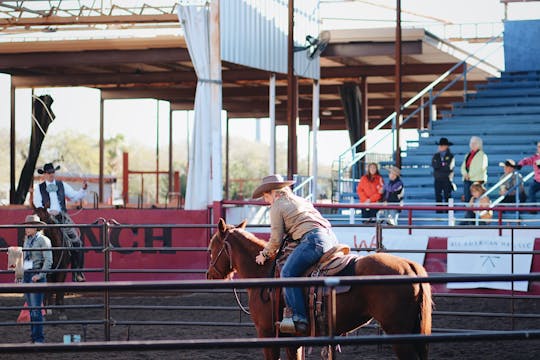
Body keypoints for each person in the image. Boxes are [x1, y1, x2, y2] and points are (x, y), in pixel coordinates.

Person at [253, 174, 337, 336]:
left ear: (272, 192)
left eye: (265, 196)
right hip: (330, 238)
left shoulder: (277, 205)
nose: (265, 200)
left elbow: (276, 240)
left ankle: (299, 318)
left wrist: (264, 254)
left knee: (287, 273)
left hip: (313, 240)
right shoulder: (300, 200)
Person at [33, 162, 87, 282]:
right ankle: (34, 270)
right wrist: (48, 212)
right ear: (44, 174)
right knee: (34, 242)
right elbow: (37, 204)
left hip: (62, 217)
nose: (51, 174)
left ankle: (77, 272)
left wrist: (82, 190)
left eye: (52, 172)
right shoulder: (39, 188)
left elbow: (74, 196)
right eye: (48, 173)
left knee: (77, 242)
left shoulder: (62, 185)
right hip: (46, 219)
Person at [22, 214, 53, 343]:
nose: (27, 229)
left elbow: (48, 260)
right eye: (26, 227)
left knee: (36, 310)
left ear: (36, 228)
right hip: (27, 274)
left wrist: (40, 275)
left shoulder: (43, 240)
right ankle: (35, 337)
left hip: (35, 275)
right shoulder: (27, 240)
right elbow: (23, 257)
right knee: (32, 310)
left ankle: (39, 339)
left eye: (29, 227)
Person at [460, 136, 488, 202]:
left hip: (477, 181)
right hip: (467, 180)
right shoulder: (468, 155)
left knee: (476, 200)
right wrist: (465, 174)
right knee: (467, 198)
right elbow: (463, 166)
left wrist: (469, 175)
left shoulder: (482, 155)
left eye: (474, 143)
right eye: (471, 143)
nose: (472, 144)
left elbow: (481, 168)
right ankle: (468, 212)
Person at [431, 137, 455, 212]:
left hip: (447, 178)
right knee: (438, 195)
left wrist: (440, 165)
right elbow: (434, 165)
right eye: (440, 145)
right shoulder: (436, 155)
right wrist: (442, 164)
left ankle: (448, 211)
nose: (440, 147)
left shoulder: (451, 156)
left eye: (442, 145)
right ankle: (439, 211)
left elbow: (449, 167)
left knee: (447, 195)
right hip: (438, 178)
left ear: (446, 146)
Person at [518, 141, 540, 214]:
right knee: (531, 189)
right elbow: (526, 160)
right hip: (537, 181)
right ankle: (533, 210)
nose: (539, 148)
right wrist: (520, 165)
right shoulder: (535, 157)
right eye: (538, 147)